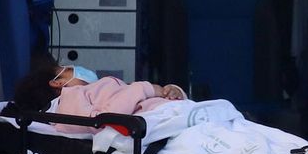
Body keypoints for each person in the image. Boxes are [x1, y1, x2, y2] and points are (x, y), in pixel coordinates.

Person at [11, 56, 187, 132]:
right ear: (58, 82)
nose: (76, 68)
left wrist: (172, 91)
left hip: (176, 112)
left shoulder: (91, 92)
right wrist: (146, 88)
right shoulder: (68, 102)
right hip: (164, 120)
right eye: (67, 69)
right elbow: (104, 121)